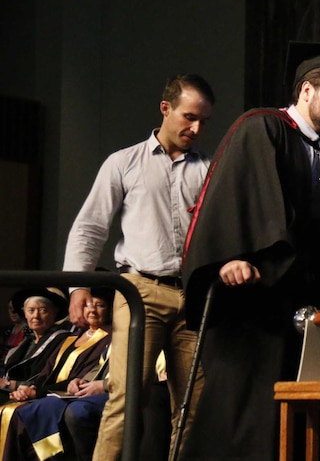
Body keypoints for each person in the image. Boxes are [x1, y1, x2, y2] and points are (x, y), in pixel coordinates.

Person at [181, 42, 320, 460]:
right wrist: (233, 258)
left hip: (317, 298)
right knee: (257, 416)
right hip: (265, 297)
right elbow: (234, 203)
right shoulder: (261, 128)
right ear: (307, 91)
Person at [62, 74, 215, 459]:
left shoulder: (208, 169)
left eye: (203, 121)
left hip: (193, 298)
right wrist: (78, 288)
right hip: (140, 292)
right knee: (126, 399)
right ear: (165, 109)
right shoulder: (124, 163)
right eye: (189, 117)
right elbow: (91, 225)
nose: (196, 128)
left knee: (196, 407)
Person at [0, 286, 113, 461]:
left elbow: (84, 377)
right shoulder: (70, 338)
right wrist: (29, 388)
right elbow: (46, 371)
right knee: (8, 409)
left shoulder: (109, 338)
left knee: (22, 414)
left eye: (99, 305)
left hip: (69, 395)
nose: (91, 309)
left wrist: (38, 392)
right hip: (49, 392)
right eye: (88, 305)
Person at [1, 288, 71, 393]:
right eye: (31, 310)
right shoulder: (27, 342)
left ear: (54, 313)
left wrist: (9, 384)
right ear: (25, 314)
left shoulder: (63, 340)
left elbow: (52, 380)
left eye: (43, 310)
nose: (36, 316)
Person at [0, 299, 28, 374]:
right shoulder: (7, 331)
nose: (13, 312)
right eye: (10, 308)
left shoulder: (29, 332)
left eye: (16, 308)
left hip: (17, 371)